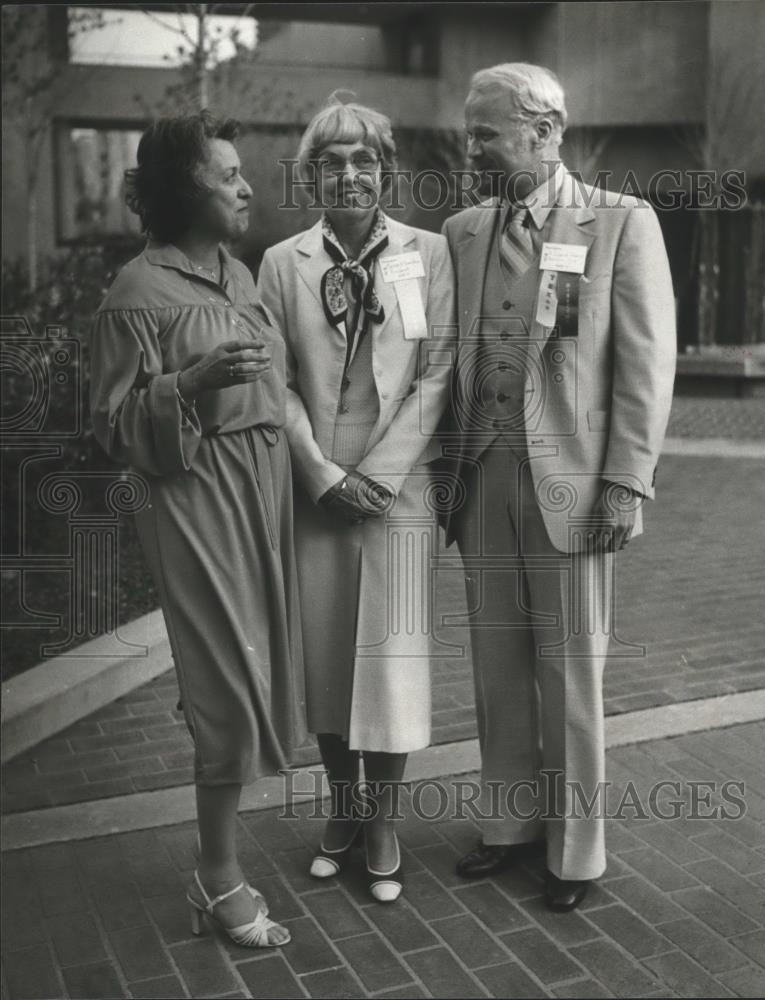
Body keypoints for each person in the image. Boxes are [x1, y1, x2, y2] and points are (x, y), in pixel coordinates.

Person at [438, 63, 676, 910]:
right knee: (496, 663)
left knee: (570, 671)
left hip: (574, 483)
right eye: (469, 131)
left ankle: (575, 854)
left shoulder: (618, 222)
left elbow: (646, 364)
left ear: (542, 133)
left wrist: (625, 482)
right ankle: (506, 825)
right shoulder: (461, 231)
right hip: (480, 477)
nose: (470, 147)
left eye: (484, 132)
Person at [90, 112, 307, 947]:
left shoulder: (241, 276)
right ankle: (217, 879)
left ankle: (216, 868)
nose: (247, 187)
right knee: (222, 692)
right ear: (186, 189)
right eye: (227, 176)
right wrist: (187, 381)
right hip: (191, 497)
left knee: (257, 676)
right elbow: (111, 425)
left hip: (261, 493)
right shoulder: (135, 294)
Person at [257, 96, 455, 902]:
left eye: (364, 158)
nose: (349, 172)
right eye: (332, 160)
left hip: (397, 488)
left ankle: (383, 822)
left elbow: (438, 370)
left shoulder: (426, 256)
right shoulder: (281, 263)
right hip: (319, 490)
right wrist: (321, 474)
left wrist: (382, 470)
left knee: (393, 662)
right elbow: (273, 379)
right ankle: (342, 805)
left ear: (386, 169)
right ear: (310, 176)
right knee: (331, 659)